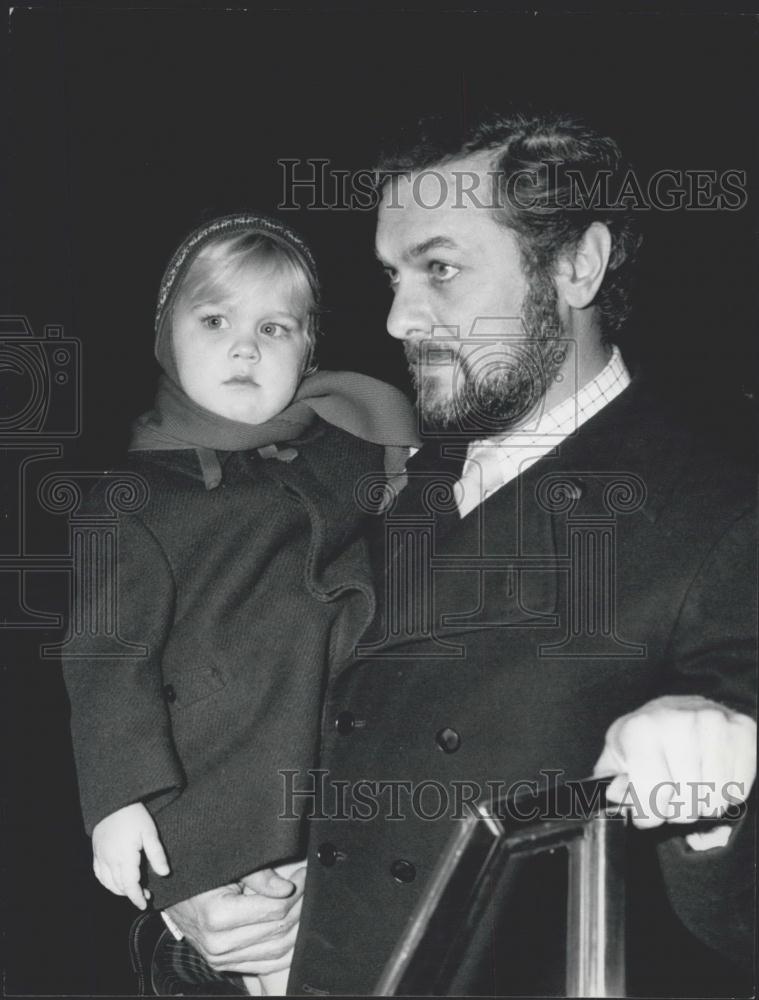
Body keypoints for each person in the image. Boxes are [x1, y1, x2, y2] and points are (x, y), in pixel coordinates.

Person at [163, 114, 757, 995]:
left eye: (439, 268)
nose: (401, 318)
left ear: (575, 265)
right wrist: (188, 901)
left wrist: (716, 807)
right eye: (393, 277)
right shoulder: (350, 471)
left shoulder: (718, 513)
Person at [61, 213, 419, 996]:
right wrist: (116, 803)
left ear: (309, 350)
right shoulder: (133, 497)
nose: (245, 346)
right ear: (165, 336)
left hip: (346, 799)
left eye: (275, 326)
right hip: (217, 802)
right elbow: (105, 654)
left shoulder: (346, 454)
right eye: (215, 319)